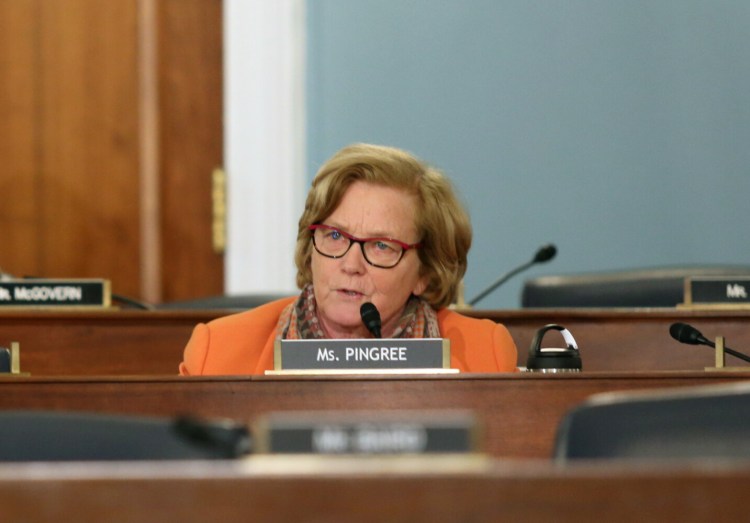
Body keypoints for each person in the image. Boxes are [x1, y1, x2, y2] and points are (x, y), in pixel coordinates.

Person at [179, 143, 518, 375]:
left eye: (381, 246)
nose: (351, 265)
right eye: (335, 236)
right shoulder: (217, 354)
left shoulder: (486, 355)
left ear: (425, 272)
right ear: (311, 247)